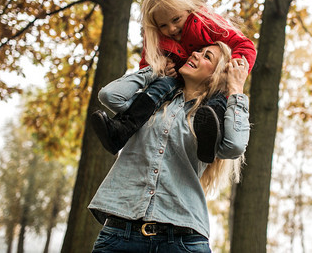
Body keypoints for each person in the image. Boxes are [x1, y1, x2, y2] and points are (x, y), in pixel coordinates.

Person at [88, 42, 250, 252]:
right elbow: (110, 96)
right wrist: (154, 70)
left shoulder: (211, 120)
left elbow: (235, 146)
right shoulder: (149, 102)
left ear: (216, 75)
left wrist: (236, 88)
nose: (195, 53)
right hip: (120, 234)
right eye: (198, 50)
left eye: (207, 56)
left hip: (183, 239)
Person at [91, 0, 256, 163]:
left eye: (176, 19)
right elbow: (146, 65)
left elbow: (243, 44)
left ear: (189, 9)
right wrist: (157, 69)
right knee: (158, 87)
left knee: (219, 95)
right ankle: (121, 130)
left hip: (207, 82)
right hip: (175, 81)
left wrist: (234, 68)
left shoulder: (204, 22)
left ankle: (211, 135)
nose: (171, 29)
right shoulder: (156, 39)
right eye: (163, 25)